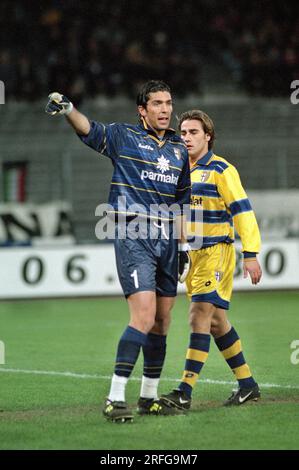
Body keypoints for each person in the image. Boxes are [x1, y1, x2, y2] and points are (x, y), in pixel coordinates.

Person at [45, 80, 191, 422]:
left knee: (162, 321)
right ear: (142, 110)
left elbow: (183, 202)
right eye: (157, 103)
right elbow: (90, 130)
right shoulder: (123, 136)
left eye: (168, 102)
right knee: (142, 316)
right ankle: (114, 397)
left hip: (168, 237)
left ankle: (149, 397)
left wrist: (184, 246)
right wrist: (68, 109)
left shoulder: (179, 148)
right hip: (134, 232)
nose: (165, 109)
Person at [158, 109, 262, 413]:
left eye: (193, 132)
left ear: (208, 136)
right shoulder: (177, 170)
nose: (187, 138)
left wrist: (252, 253)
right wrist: (176, 249)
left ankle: (184, 392)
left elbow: (243, 211)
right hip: (193, 256)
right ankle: (247, 385)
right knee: (217, 322)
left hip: (217, 252)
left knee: (198, 315)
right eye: (183, 133)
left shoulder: (221, 169)